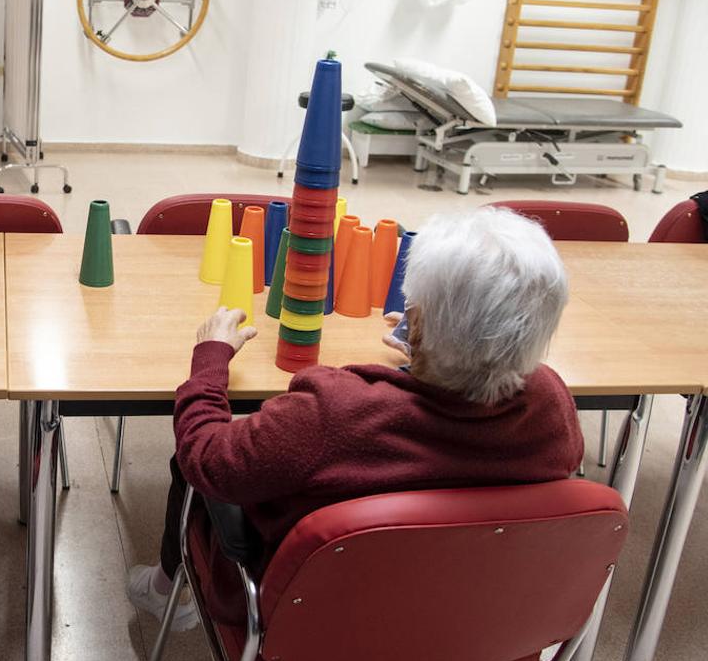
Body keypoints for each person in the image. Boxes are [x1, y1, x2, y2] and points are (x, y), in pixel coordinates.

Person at [126, 206, 584, 631]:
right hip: (474, 622)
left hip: (314, 622)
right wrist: (445, 355)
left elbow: (206, 457)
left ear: (417, 322)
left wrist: (211, 357)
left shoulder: (334, 415)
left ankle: (167, 591)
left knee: (185, 465)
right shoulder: (551, 406)